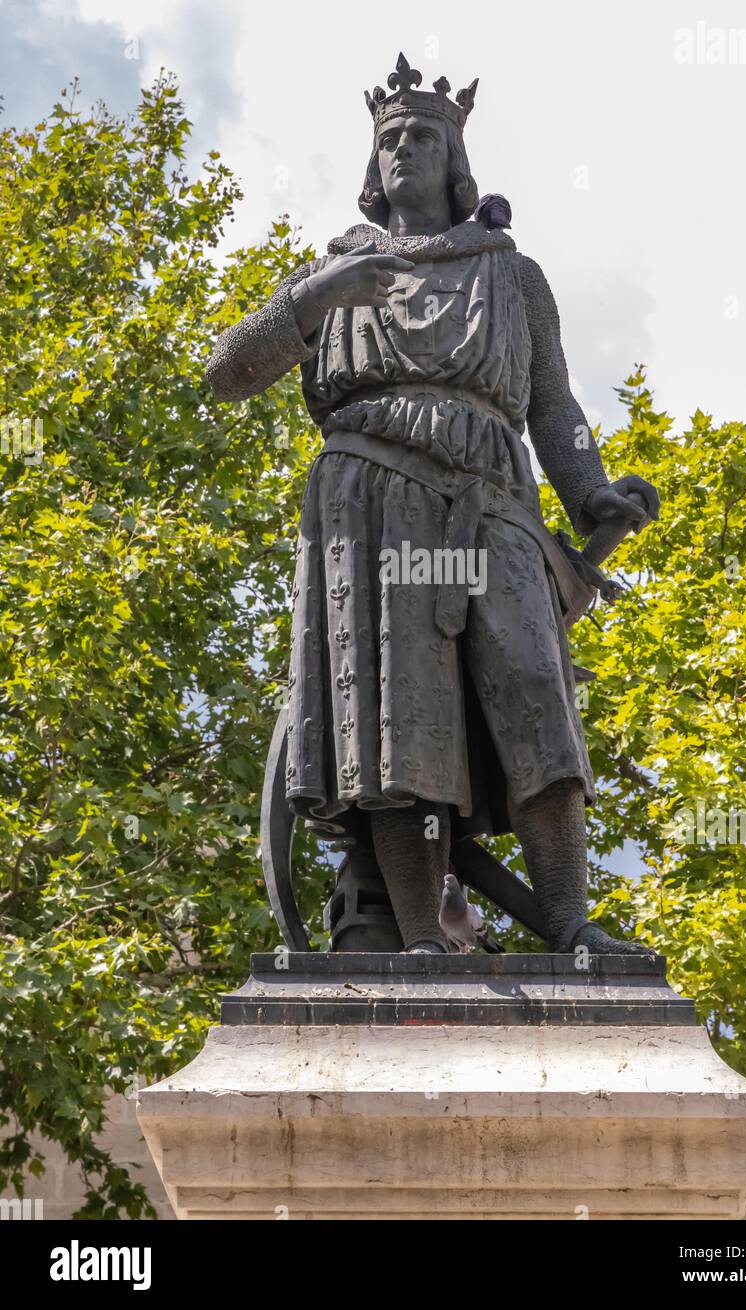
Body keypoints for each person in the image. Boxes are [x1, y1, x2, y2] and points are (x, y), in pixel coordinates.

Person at [207, 54, 660, 956]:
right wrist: (317, 297)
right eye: (389, 139)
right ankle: (419, 938)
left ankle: (568, 920)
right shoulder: (331, 273)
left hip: (489, 496)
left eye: (422, 135)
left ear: (456, 160)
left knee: (534, 691)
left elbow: (553, 406)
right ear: (371, 166)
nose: (404, 148)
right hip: (367, 498)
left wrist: (590, 493)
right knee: (392, 723)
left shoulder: (511, 273)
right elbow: (227, 373)